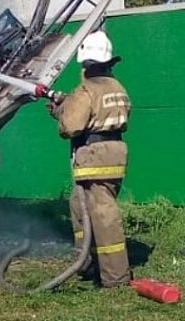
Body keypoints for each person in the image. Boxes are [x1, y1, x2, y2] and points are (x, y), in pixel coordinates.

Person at [48, 30, 131, 288]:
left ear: (87, 63)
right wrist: (67, 104)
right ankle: (87, 263)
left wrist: (61, 112)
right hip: (113, 152)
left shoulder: (86, 90)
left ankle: (115, 277)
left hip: (94, 156)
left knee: (103, 215)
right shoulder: (117, 87)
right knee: (80, 206)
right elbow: (100, 115)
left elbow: (72, 127)